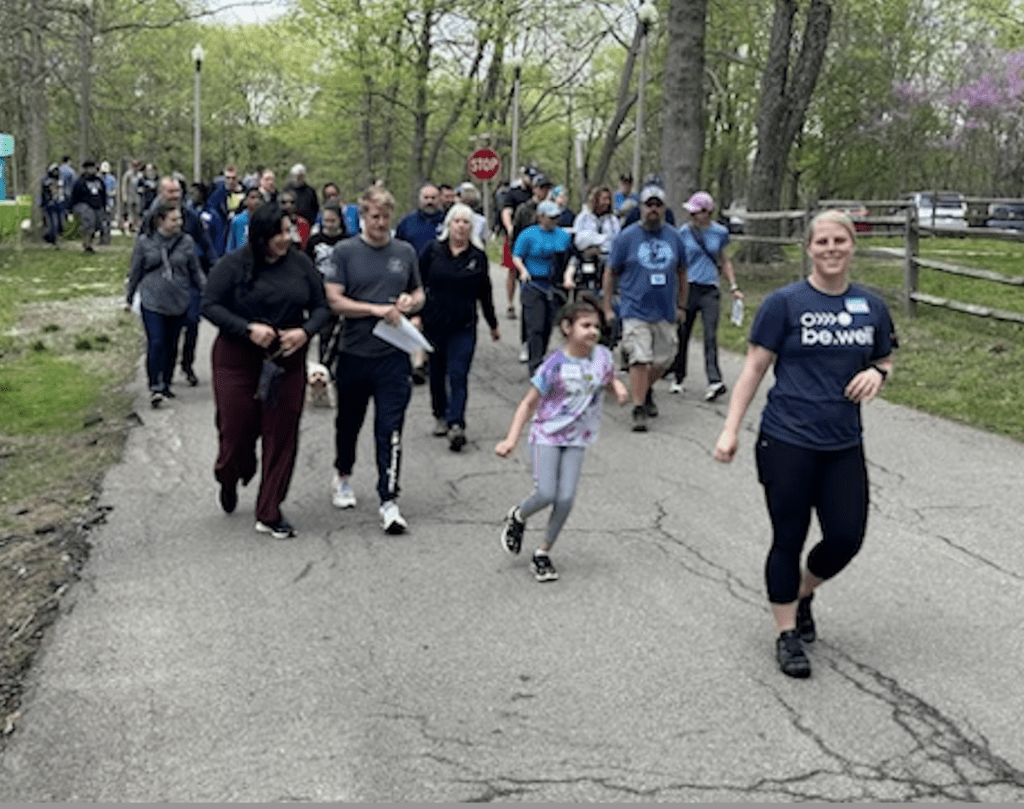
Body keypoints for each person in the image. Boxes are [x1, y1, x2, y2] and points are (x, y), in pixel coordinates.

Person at [713, 210, 896, 679]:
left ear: (853, 246)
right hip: (787, 439)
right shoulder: (785, 304)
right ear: (808, 249)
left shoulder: (871, 306)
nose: (832, 249)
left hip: (843, 444)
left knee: (845, 537)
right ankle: (786, 634)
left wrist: (877, 373)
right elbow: (754, 369)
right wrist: (731, 429)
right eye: (822, 242)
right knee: (788, 537)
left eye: (840, 241)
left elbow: (884, 357)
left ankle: (803, 590)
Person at [201, 202, 330, 539]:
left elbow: (321, 308)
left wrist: (304, 332)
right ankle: (229, 474)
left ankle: (269, 510)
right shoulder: (232, 265)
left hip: (286, 358)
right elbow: (210, 305)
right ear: (261, 237)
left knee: (281, 433)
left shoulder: (301, 265)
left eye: (288, 232)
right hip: (238, 356)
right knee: (236, 429)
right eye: (279, 233)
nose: (286, 239)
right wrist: (247, 329)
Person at [496, 295, 629, 582]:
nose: (593, 331)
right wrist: (510, 439)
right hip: (546, 433)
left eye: (596, 326)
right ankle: (518, 515)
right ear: (567, 328)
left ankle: (543, 553)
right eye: (585, 325)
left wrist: (617, 387)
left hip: (578, 437)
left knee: (566, 498)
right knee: (546, 493)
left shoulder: (603, 356)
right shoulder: (553, 366)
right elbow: (528, 404)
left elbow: (606, 379)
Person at [324, 186, 425, 535]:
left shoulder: (405, 251)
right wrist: (373, 310)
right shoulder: (346, 251)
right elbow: (334, 300)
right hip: (355, 352)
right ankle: (343, 474)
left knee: (390, 429)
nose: (380, 223)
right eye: (374, 216)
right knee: (349, 424)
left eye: (385, 217)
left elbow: (419, 291)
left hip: (393, 357)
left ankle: (389, 500)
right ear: (363, 217)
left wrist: (410, 303)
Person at [602, 184, 687, 432]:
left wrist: (682, 305)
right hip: (634, 309)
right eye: (648, 205)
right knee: (640, 358)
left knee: (665, 358)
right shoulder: (627, 237)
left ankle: (643, 389)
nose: (653, 209)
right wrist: (608, 307)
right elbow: (610, 272)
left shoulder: (675, 237)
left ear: (663, 209)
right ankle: (639, 407)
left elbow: (682, 272)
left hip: (665, 311)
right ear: (641, 208)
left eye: (657, 205)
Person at [419, 202, 500, 451]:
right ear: (449, 225)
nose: (461, 226)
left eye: (466, 222)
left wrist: (492, 323)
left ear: (471, 227)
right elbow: (417, 284)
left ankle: (457, 424)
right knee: (436, 372)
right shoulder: (432, 251)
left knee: (458, 373)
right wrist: (414, 313)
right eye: (457, 221)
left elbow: (484, 292)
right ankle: (440, 415)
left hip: (463, 325)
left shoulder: (477, 257)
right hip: (434, 323)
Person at [125, 199, 205, 407]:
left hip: (178, 300)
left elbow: (195, 271)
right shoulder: (145, 242)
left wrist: (208, 292)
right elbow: (135, 271)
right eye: (174, 219)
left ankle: (166, 382)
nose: (179, 222)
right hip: (152, 300)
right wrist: (129, 296)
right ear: (161, 221)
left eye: (179, 219)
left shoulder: (186, 242)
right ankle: (155, 386)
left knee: (171, 344)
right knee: (156, 341)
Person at [668, 191, 744, 400]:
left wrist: (733, 285)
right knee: (683, 333)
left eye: (697, 212)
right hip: (689, 288)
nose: (692, 215)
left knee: (710, 335)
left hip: (710, 289)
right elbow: (677, 263)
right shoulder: (683, 232)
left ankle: (714, 380)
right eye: (691, 212)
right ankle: (678, 376)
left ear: (707, 212)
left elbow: (724, 259)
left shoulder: (720, 232)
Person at [512, 199, 572, 375]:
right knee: (535, 326)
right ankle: (535, 366)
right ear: (540, 217)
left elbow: (570, 258)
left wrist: (568, 276)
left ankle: (542, 355)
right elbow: (517, 256)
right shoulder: (528, 234)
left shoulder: (563, 235)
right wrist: (523, 271)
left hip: (554, 284)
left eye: (555, 217)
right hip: (534, 283)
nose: (553, 220)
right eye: (550, 217)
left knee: (548, 325)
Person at [304, 201, 348, 364]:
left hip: (341, 291)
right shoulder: (315, 241)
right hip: (319, 290)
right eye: (326, 221)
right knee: (323, 331)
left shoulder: (347, 241)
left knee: (340, 333)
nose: (329, 225)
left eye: (332, 221)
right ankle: (323, 364)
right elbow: (307, 265)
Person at [500, 167, 536, 320]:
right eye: (529, 177)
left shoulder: (536, 193)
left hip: (533, 236)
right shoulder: (513, 193)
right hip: (516, 234)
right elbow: (506, 212)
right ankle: (510, 303)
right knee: (512, 270)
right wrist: (509, 228)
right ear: (523, 176)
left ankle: (529, 303)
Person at [571, 185, 620, 293]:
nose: (606, 202)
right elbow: (579, 241)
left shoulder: (613, 221)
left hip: (607, 259)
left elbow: (615, 242)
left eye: (608, 199)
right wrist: (602, 239)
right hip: (586, 258)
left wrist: (594, 241)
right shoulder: (583, 218)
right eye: (604, 199)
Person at [395, 182, 444, 256]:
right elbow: (397, 247)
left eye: (433, 198)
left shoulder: (448, 221)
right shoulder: (406, 222)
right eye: (426, 198)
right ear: (420, 199)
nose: (430, 201)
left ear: (439, 199)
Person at [69, 159, 107, 253]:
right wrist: (71, 208)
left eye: (92, 168)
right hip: (85, 205)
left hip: (97, 205)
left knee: (97, 225)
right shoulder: (80, 181)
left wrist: (104, 205)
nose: (91, 170)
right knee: (89, 224)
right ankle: (87, 244)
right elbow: (75, 195)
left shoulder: (99, 181)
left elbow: (103, 194)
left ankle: (89, 242)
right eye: (89, 168)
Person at [226, 186, 264, 251]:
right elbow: (231, 244)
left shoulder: (264, 220)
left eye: (259, 198)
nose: (256, 201)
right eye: (253, 197)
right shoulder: (237, 220)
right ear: (246, 201)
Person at [39, 163, 63, 247]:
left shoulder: (60, 180)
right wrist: (45, 203)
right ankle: (52, 239)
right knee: (54, 222)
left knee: (60, 222)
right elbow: (44, 194)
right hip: (50, 205)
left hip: (59, 203)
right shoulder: (47, 181)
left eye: (57, 171)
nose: (55, 172)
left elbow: (62, 191)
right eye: (54, 171)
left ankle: (51, 236)